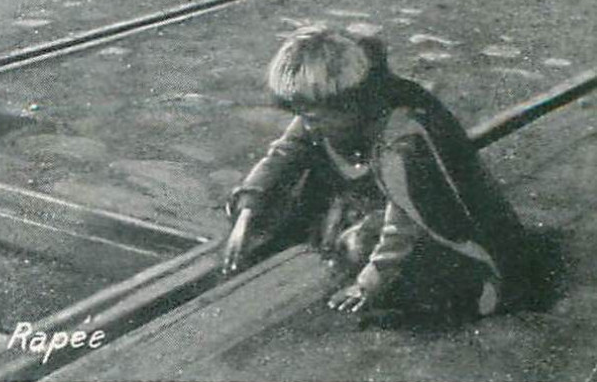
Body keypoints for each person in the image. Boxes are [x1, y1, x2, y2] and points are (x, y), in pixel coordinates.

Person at [222, 26, 527, 318]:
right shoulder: (331, 104)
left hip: (442, 228)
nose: (307, 124)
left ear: (346, 105)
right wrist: (249, 209)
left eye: (313, 117)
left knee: (359, 249)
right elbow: (284, 153)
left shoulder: (401, 139)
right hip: (386, 198)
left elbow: (404, 217)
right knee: (280, 205)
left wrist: (368, 283)